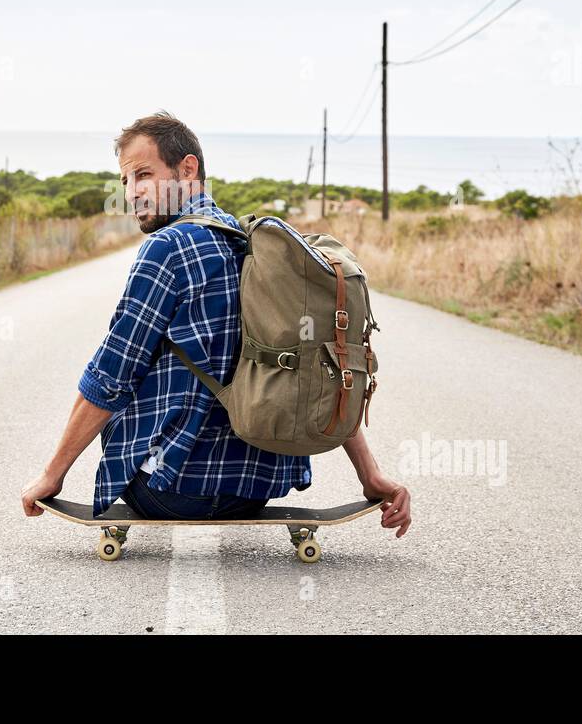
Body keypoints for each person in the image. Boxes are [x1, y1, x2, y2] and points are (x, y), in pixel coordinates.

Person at [21, 111, 411, 535]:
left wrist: (52, 475)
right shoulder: (252, 245)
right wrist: (370, 475)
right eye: (125, 181)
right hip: (252, 492)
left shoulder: (166, 248)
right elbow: (317, 363)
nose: (132, 193)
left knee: (122, 376)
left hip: (167, 491)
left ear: (188, 169)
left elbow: (111, 376)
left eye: (143, 175)